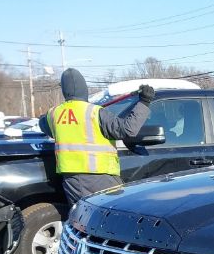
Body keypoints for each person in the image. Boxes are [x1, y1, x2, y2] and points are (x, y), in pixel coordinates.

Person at [39, 68, 154, 205]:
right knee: (107, 217)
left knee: (81, 217)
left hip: (71, 179)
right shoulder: (95, 112)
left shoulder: (54, 114)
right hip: (99, 177)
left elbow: (42, 123)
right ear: (83, 88)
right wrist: (144, 102)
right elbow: (127, 130)